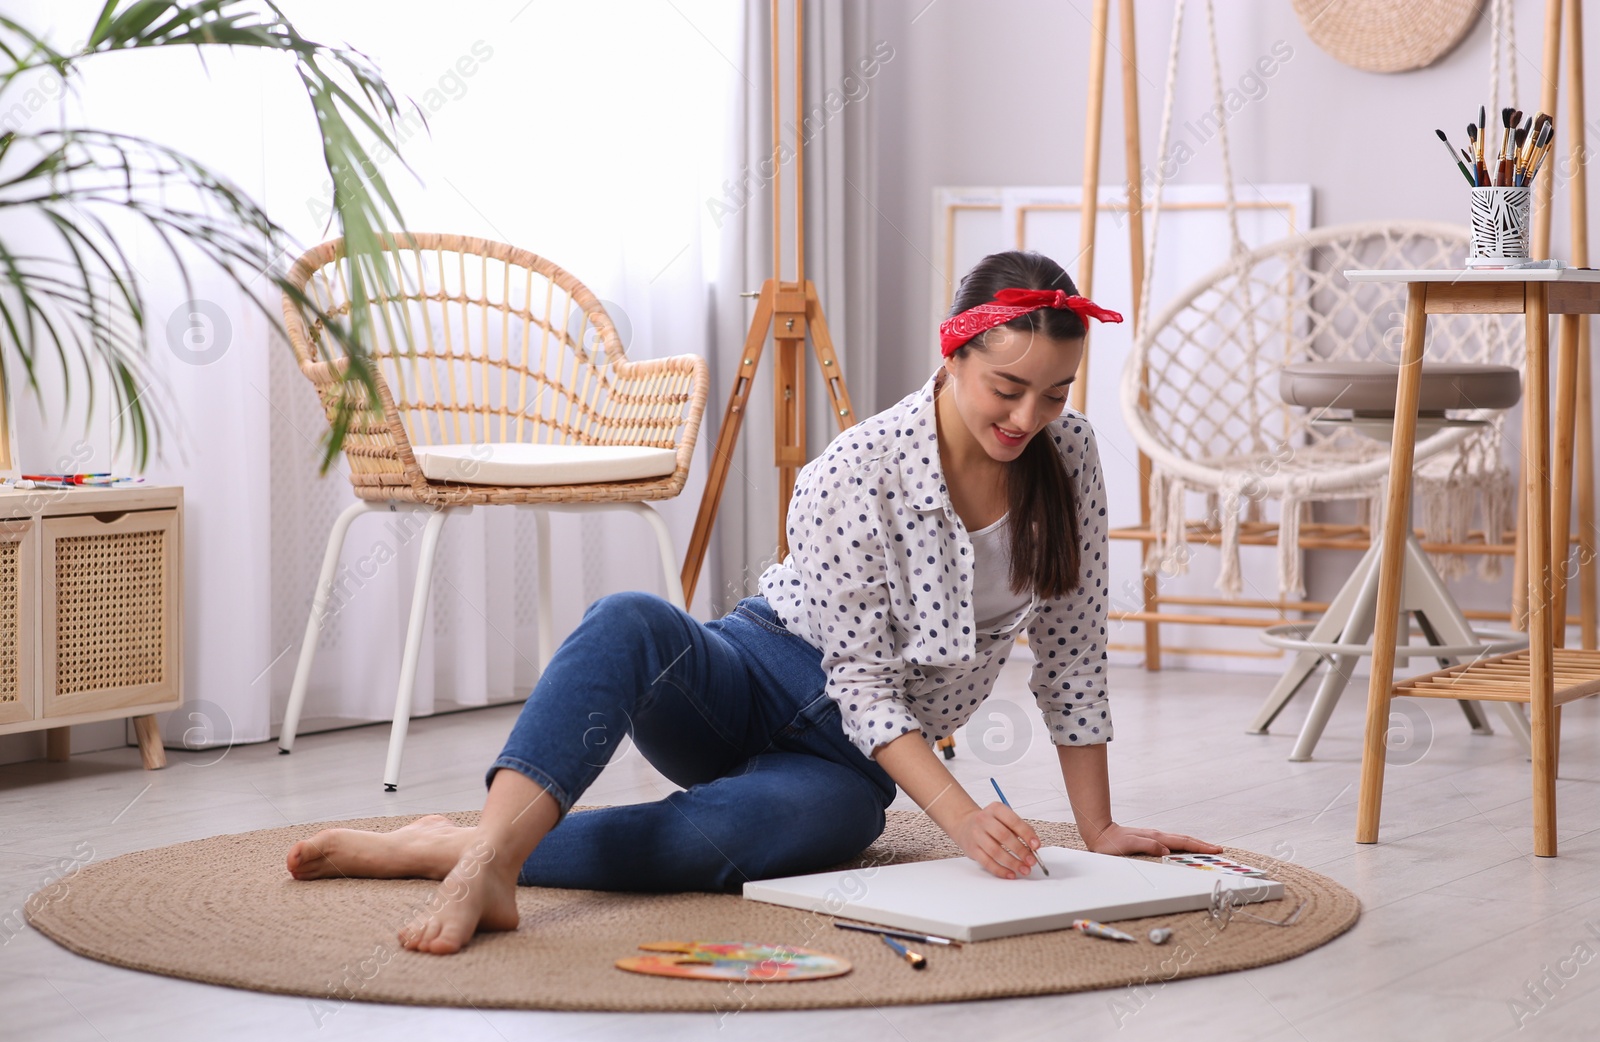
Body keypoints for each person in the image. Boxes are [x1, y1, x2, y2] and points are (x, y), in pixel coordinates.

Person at [285, 249, 1221, 954]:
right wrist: (961, 815)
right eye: (1006, 388)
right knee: (627, 619)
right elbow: (857, 678)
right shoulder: (857, 468)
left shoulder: (1073, 458)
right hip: (759, 674)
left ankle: (442, 843)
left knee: (770, 838)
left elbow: (1072, 651)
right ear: (952, 358)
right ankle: (489, 863)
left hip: (852, 761)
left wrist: (1098, 829)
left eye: (1054, 395)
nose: (1028, 419)